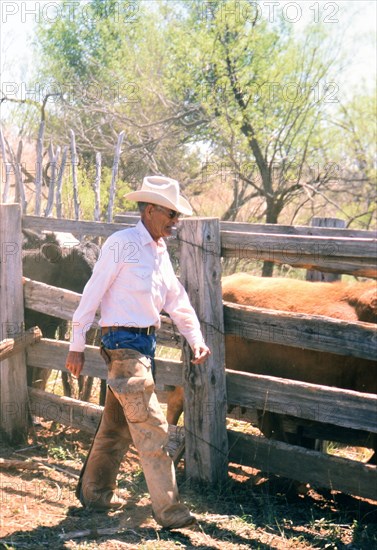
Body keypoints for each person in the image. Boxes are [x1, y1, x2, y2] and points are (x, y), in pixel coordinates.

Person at [65, 175, 210, 529]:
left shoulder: (159, 254)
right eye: (171, 214)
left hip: (144, 349)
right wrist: (76, 344)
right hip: (123, 349)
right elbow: (92, 291)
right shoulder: (122, 244)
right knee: (153, 430)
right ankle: (171, 512)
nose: (175, 222)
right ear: (149, 210)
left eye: (177, 216)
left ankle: (94, 495)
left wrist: (196, 339)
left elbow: (177, 300)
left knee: (115, 429)